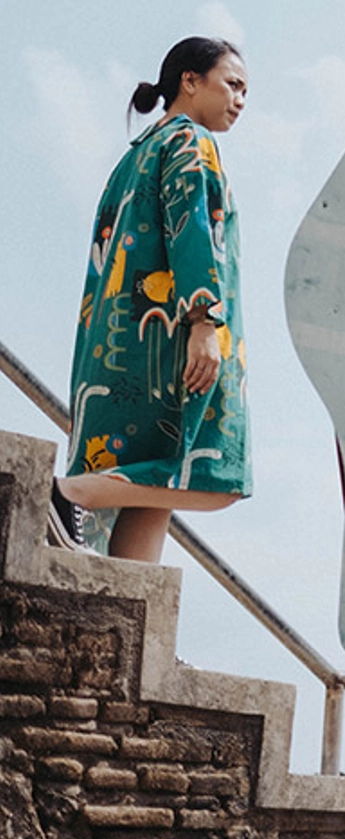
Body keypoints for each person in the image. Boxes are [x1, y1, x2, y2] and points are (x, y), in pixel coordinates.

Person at [47, 36, 251, 563]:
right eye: (232, 84)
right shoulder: (190, 144)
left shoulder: (136, 155)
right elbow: (194, 236)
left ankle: (128, 599)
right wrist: (204, 322)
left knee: (151, 488)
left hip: (118, 347)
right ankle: (66, 495)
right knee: (214, 475)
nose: (240, 100)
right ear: (189, 80)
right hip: (170, 341)